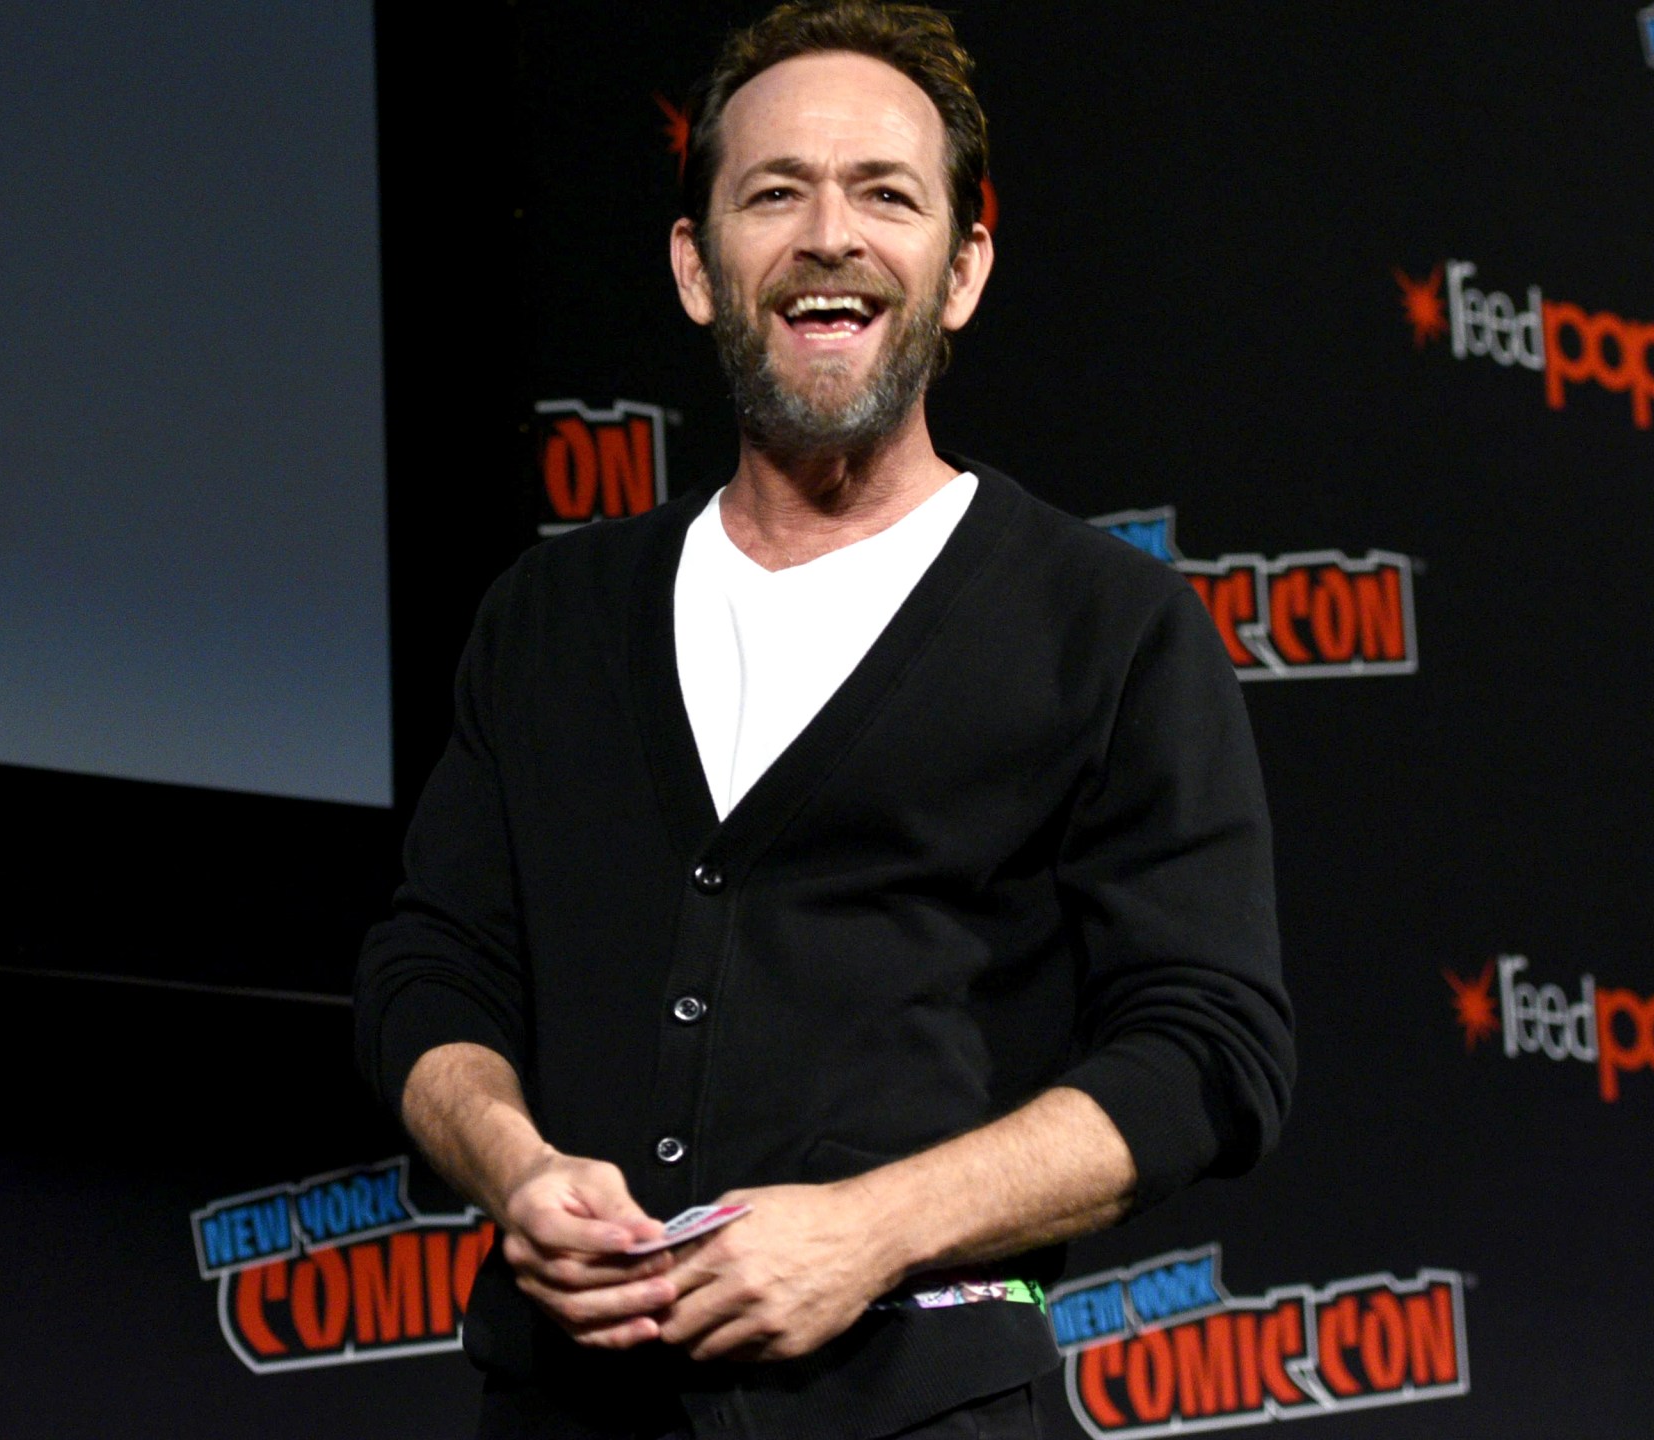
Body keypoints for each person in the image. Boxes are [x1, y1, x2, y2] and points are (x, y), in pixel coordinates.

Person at [354, 4, 1294, 1436]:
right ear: (694, 265)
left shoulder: (1111, 633)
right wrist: (512, 1166)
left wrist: (870, 1230)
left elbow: (1210, 1050)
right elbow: (432, 971)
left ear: (963, 269)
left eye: (887, 195)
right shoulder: (549, 619)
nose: (830, 236)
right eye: (774, 192)